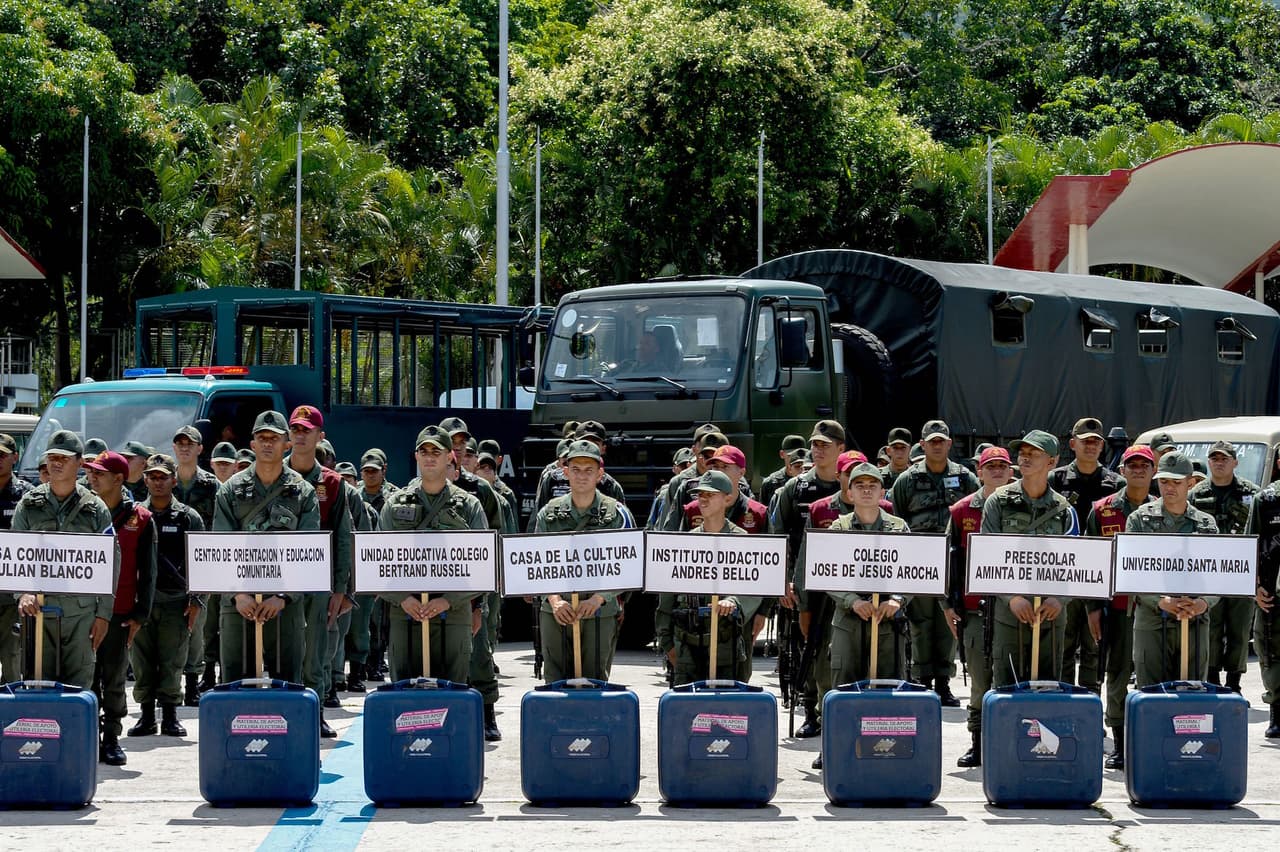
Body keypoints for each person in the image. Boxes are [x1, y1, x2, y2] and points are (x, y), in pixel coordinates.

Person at [13, 431, 119, 762]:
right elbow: (16, 555)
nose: (56, 463)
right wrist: (23, 591)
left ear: (78, 464)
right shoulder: (29, 505)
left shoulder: (95, 508)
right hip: (39, 613)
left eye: (63, 458)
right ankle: (41, 756)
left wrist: (104, 615)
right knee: (38, 688)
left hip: (81, 615)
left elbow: (110, 561)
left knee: (78, 688)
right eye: (52, 458)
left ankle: (78, 757)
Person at [809, 461, 911, 769]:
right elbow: (825, 572)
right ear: (849, 492)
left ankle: (887, 747)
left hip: (888, 622)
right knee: (841, 685)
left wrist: (898, 599)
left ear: (882, 492)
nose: (866, 491)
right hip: (848, 620)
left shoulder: (898, 527)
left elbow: (915, 570)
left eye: (872, 486)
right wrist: (852, 600)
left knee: (888, 686)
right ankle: (833, 746)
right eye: (860, 486)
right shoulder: (838, 528)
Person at [213, 411, 319, 689]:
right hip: (239, 603)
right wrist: (238, 594)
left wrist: (283, 597)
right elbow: (220, 548)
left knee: (288, 686)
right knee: (235, 684)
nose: (268, 444)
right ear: (253, 443)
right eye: (262, 438)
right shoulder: (230, 490)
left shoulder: (303, 492)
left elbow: (308, 553)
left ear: (287, 443)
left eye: (274, 438)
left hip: (284, 605)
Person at [377, 426, 486, 687]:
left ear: (450, 456)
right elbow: (378, 562)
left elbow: (483, 566)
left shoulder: (468, 505)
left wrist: (448, 601)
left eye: (436, 451)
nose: (429, 457)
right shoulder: (395, 504)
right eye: (423, 451)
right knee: (404, 690)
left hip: (454, 613)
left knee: (453, 690)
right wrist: (402, 598)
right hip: (405, 613)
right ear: (415, 456)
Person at [889, 419, 979, 707]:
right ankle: (921, 679)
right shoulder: (907, 480)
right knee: (920, 621)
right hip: (919, 562)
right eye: (932, 441)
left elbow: (976, 511)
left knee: (948, 622)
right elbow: (897, 520)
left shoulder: (966, 478)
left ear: (949, 444)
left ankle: (943, 681)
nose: (937, 445)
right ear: (923, 445)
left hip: (953, 562)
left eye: (942, 440)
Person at [981, 430, 1079, 687]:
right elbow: (987, 556)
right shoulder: (998, 503)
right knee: (1007, 687)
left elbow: (1077, 564)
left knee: (1047, 689)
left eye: (1033, 453)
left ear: (1052, 461)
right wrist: (1011, 598)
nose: (1024, 458)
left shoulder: (1065, 510)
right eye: (1022, 453)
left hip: (1051, 615)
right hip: (1009, 613)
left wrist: (1060, 598)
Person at [534, 440, 633, 682]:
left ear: (600, 473)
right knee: (555, 682)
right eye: (575, 469)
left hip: (598, 611)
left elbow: (629, 564)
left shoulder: (617, 513)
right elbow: (534, 563)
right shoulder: (549, 513)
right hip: (556, 611)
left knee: (595, 681)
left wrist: (598, 598)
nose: (582, 476)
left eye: (589, 470)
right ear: (565, 472)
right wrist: (555, 601)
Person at [770, 419, 846, 738]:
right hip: (808, 583)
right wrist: (784, 580)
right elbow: (778, 535)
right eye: (815, 444)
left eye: (825, 445)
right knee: (810, 647)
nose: (817, 450)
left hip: (847, 581)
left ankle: (838, 709)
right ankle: (812, 710)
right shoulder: (797, 488)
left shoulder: (853, 483)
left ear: (841, 449)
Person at [285, 405, 356, 738]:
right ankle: (286, 711)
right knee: (285, 648)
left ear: (319, 436)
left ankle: (314, 711)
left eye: (306, 430)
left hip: (319, 581)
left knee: (317, 650)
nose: (300, 435)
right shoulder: (272, 475)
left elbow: (344, 538)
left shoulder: (333, 483)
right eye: (296, 429)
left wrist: (341, 588)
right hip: (278, 579)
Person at [1085, 445, 1157, 769]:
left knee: (1151, 674)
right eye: (1133, 465)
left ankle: (1150, 739)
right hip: (1115, 607)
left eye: (1145, 465)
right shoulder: (1102, 510)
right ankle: (1120, 744)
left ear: (1153, 471)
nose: (1139, 470)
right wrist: (1093, 608)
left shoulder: (1163, 509)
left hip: (1155, 607)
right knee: (1116, 673)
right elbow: (1090, 563)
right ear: (1123, 470)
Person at [656, 470, 759, 687]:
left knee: (725, 714)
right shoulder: (687, 542)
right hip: (687, 648)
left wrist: (733, 601)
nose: (703, 499)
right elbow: (668, 592)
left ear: (727, 499)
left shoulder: (741, 540)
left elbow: (754, 585)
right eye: (700, 494)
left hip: (725, 647)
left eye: (710, 494)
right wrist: (666, 640)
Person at [86, 451, 157, 767]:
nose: (92, 478)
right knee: (84, 676)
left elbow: (149, 572)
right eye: (91, 472)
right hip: (84, 610)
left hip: (120, 612)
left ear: (119, 479)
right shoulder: (83, 511)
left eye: (100, 473)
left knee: (114, 679)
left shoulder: (140, 519)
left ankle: (111, 737)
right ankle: (86, 736)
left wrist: (141, 615)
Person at [946, 446, 1015, 768]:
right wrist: (949, 604)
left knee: (1010, 678)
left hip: (1014, 610)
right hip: (974, 610)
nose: (998, 471)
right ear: (980, 470)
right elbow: (950, 559)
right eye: (992, 466)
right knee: (979, 679)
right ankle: (977, 742)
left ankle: (1007, 742)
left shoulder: (1022, 506)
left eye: (1003, 466)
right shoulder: (961, 511)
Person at [1126, 452, 1219, 693]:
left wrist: (1204, 603)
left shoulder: (1205, 523)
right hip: (1153, 619)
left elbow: (1219, 573)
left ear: (1190, 483)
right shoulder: (1139, 520)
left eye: (1177, 482)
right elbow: (1130, 570)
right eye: (1164, 481)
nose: (1169, 488)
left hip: (1195, 619)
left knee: (1192, 693)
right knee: (1151, 692)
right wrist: (1160, 601)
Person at [131, 454, 205, 742]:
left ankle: (171, 715)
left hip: (177, 600)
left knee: (174, 659)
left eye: (163, 477)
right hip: (143, 602)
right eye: (152, 476)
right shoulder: (135, 516)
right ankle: (147, 716)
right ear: (145, 479)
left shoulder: (188, 517)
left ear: (174, 480)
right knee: (141, 660)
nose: (157, 482)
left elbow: (201, 562)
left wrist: (196, 601)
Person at [1049, 417, 1122, 695]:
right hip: (1063, 574)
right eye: (1085, 441)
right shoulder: (1055, 480)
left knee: (1094, 646)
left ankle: (1091, 706)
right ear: (1072, 444)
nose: (1091, 446)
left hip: (1099, 576)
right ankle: (1066, 702)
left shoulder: (1115, 484)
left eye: (1096, 442)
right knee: (1063, 645)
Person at [1190, 440, 1259, 696]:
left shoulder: (1251, 493)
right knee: (1211, 628)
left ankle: (1234, 682)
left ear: (1235, 462)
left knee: (1240, 629)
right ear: (1209, 462)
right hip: (1208, 575)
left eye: (1224, 458)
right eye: (1214, 458)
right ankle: (1212, 679)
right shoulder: (1196, 494)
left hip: (1240, 573)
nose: (1219, 462)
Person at [173, 424, 219, 707]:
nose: (185, 447)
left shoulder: (212, 486)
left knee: (197, 626)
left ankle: (192, 683)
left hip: (202, 566)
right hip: (169, 566)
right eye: (180, 443)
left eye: (191, 443)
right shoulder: (164, 480)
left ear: (200, 449)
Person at [1249, 456, 1280, 737]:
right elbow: (1250, 544)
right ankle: (1277, 712)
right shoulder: (1266, 499)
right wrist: (1254, 585)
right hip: (1273, 592)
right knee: (1270, 651)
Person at [0, 432, 33, 683]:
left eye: (2, 455)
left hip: (13, 591)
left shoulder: (27, 495)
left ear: (15, 457)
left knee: (12, 657)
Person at [759, 435, 807, 507]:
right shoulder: (770, 483)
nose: (796, 459)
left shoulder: (812, 480)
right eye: (791, 455)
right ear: (782, 454)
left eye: (800, 455)